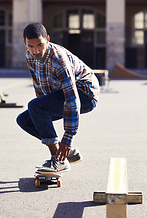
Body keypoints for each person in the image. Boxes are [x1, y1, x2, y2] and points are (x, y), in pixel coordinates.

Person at [16, 22, 100, 173]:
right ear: (25, 43)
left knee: (35, 106)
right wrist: (41, 113)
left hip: (85, 95)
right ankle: (65, 155)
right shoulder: (29, 55)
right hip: (62, 94)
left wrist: (68, 139)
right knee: (25, 120)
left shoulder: (59, 60)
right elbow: (38, 86)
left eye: (40, 45)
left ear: (47, 39)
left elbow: (72, 100)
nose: (36, 50)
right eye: (31, 46)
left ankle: (59, 160)